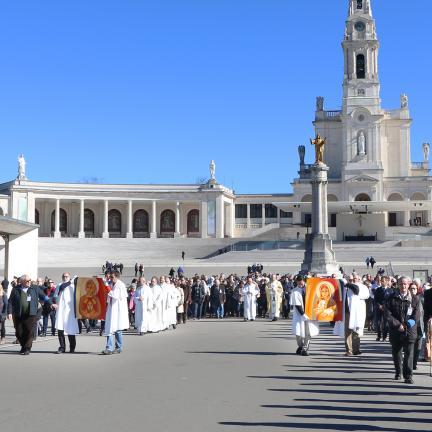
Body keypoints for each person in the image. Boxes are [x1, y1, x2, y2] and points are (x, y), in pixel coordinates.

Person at [385, 277, 420, 384]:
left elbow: (416, 315)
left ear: (408, 285)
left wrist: (407, 325)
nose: (403, 286)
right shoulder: (391, 298)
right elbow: (387, 314)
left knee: (409, 353)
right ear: (398, 285)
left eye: (405, 284)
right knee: (397, 353)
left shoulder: (414, 299)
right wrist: (397, 325)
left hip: (409, 330)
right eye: (401, 284)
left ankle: (408, 375)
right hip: (396, 330)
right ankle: (398, 372)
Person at [7, 275, 50, 355]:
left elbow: (44, 296)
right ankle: (23, 346)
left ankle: (27, 348)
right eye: (27, 281)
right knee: (19, 332)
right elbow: (10, 301)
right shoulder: (16, 289)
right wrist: (9, 312)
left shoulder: (34, 288)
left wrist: (51, 303)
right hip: (18, 314)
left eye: (30, 280)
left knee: (29, 331)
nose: (29, 281)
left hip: (31, 313)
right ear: (22, 281)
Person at [101, 271, 129, 355]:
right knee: (109, 328)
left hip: (118, 310)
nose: (110, 279)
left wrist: (106, 286)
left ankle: (118, 347)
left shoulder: (120, 285)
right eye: (110, 277)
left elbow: (115, 295)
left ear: (117, 277)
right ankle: (109, 348)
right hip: (111, 308)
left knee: (117, 329)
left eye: (112, 277)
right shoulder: (112, 284)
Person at [290, 275, 319, 356]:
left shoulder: (310, 289)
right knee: (298, 333)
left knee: (308, 332)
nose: (300, 285)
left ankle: (305, 349)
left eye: (301, 283)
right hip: (299, 314)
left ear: (304, 281)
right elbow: (297, 304)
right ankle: (300, 345)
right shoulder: (295, 291)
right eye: (299, 283)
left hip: (310, 313)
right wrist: (303, 314)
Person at [342, 273, 370, 356]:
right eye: (351, 279)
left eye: (355, 279)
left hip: (357, 312)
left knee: (356, 331)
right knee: (348, 331)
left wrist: (348, 284)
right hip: (347, 312)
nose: (353, 280)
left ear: (359, 279)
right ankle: (349, 350)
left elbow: (358, 291)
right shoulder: (346, 287)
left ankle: (356, 349)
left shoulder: (362, 287)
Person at [53, 273, 79, 354]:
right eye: (63, 276)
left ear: (69, 277)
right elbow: (55, 296)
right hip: (61, 311)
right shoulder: (60, 285)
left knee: (70, 330)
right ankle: (62, 347)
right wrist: (54, 303)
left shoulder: (73, 286)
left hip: (70, 312)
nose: (65, 278)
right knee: (60, 330)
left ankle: (72, 347)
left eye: (67, 276)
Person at [408, 283, 424, 370]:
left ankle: (414, 363)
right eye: (411, 289)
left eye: (414, 289)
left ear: (417, 289)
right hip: (410, 326)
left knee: (418, 347)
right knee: (410, 347)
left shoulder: (421, 299)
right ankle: (410, 364)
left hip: (419, 326)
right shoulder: (407, 299)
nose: (413, 290)